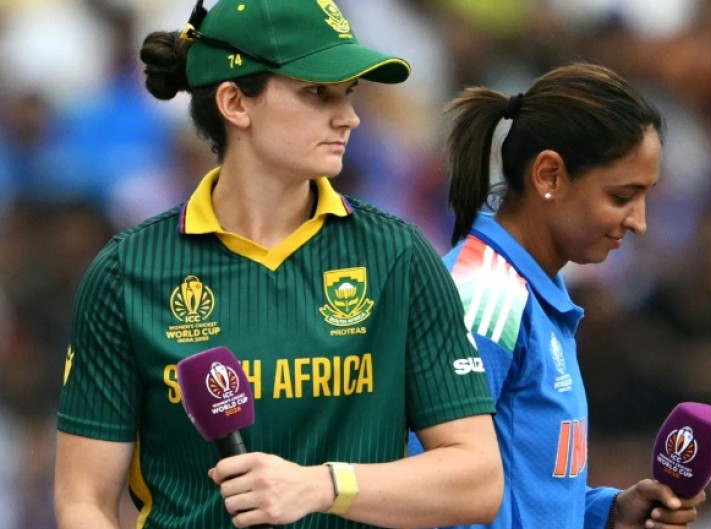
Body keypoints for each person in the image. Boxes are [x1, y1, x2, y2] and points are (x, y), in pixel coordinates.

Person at [53, 1, 503, 528]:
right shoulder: (126, 272)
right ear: (234, 103)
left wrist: (321, 486)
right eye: (318, 92)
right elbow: (84, 499)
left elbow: (477, 480)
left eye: (349, 93)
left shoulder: (400, 256)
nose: (350, 116)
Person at [410, 62, 707, 529]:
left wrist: (603, 513)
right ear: (549, 175)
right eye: (622, 196)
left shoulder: (536, 290)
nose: (639, 221)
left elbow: (522, 487)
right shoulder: (485, 298)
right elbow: (436, 493)